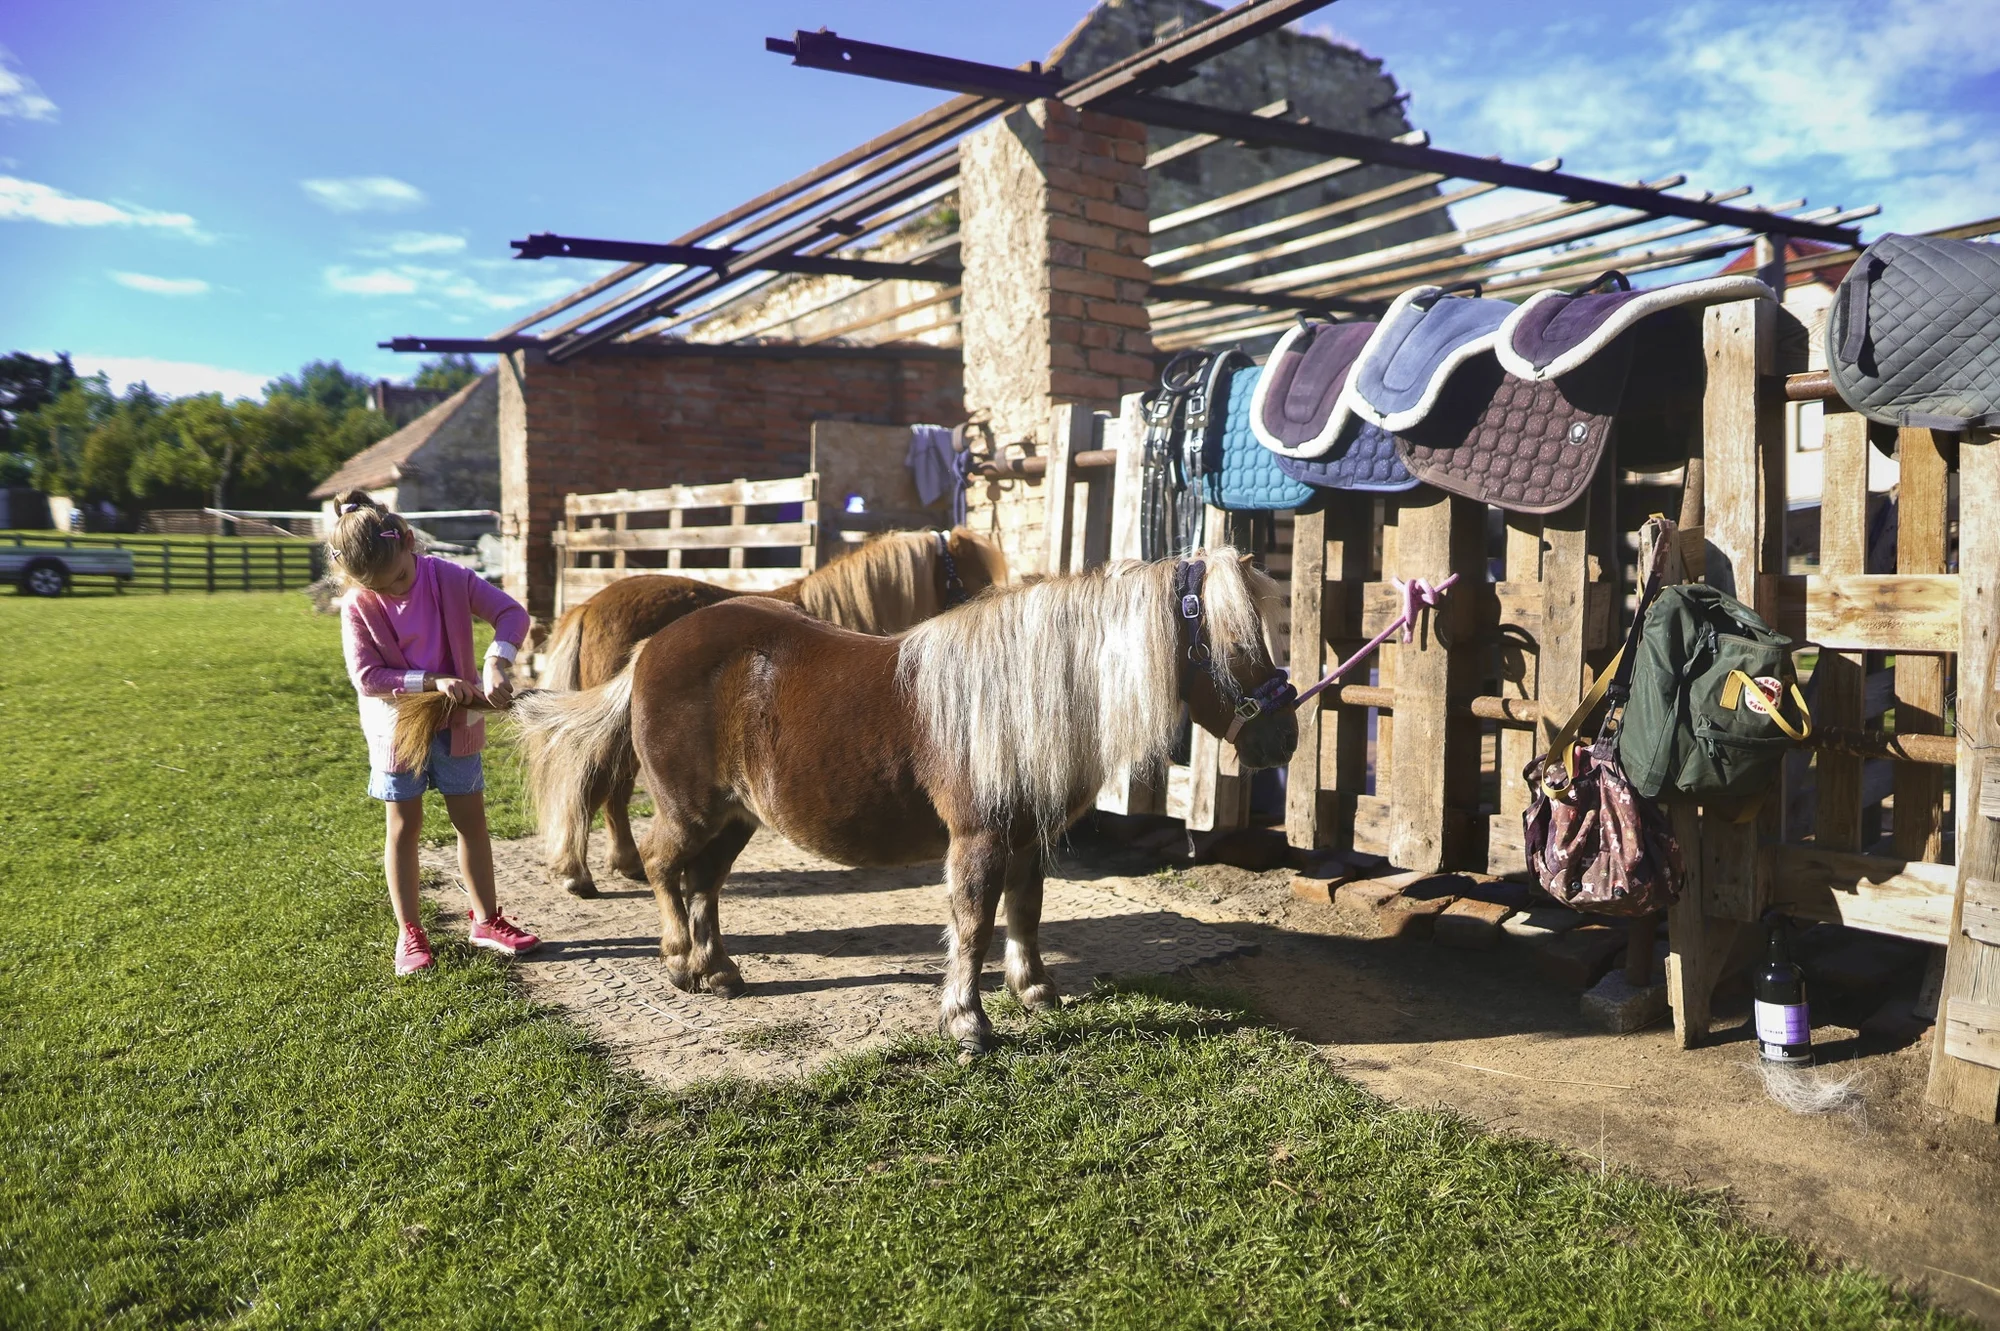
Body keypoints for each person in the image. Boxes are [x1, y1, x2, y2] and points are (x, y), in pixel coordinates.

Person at [327, 490, 541, 975]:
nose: (396, 591)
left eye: (400, 576)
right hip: (398, 731)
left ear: (408, 542)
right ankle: (411, 932)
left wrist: (495, 661)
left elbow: (512, 614)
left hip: (457, 726)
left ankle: (487, 920)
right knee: (404, 829)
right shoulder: (359, 604)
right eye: (381, 587)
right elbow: (367, 678)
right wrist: (431, 681)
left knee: (472, 823)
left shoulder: (449, 577)